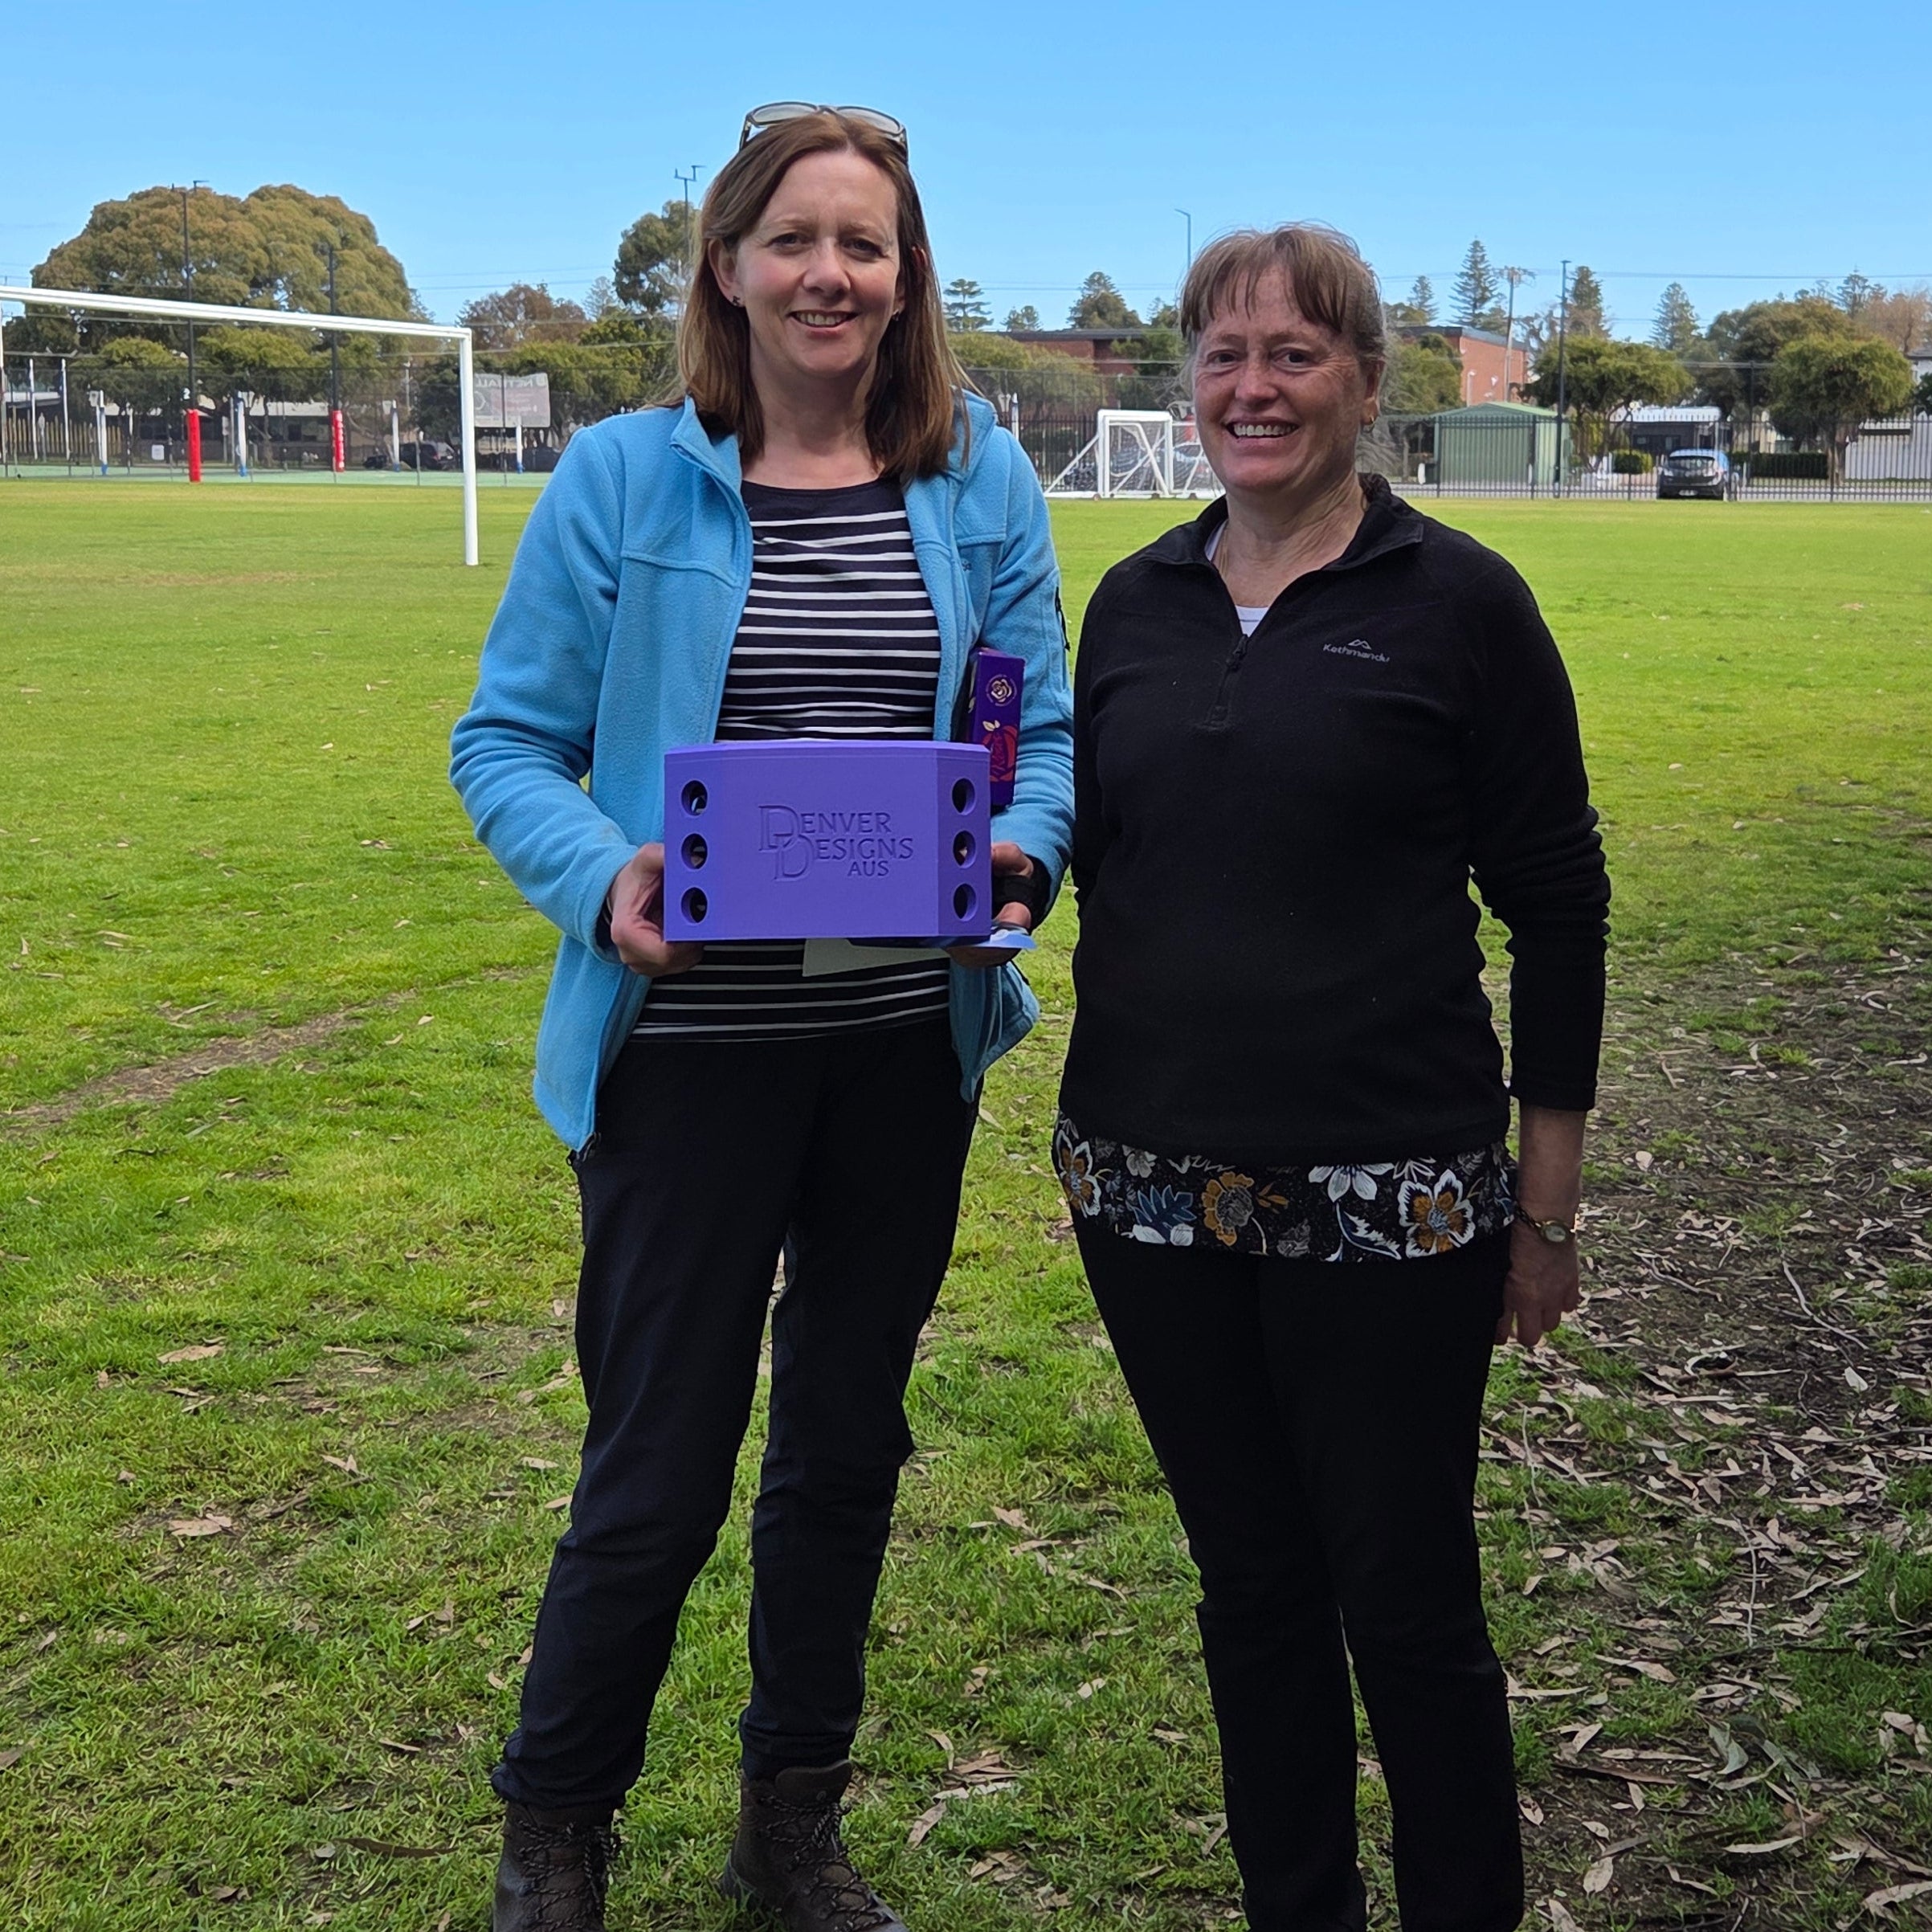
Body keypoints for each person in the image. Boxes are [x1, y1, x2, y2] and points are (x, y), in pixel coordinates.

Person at [451, 104, 1072, 1932]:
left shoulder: (982, 483)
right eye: (793, 238)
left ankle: (790, 1827)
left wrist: (1019, 862)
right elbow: (507, 743)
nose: (830, 274)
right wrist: (605, 878)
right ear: (724, 266)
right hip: (689, 1068)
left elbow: (1034, 737)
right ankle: (554, 1829)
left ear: (907, 278)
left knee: (844, 1455)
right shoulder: (625, 480)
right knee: (654, 1470)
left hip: (902, 1055)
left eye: (863, 244)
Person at [1055, 224, 1610, 1932]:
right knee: (1252, 1591)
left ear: (1368, 382)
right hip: (1149, 1191)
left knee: (1408, 1596)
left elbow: (1560, 907)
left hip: (1398, 1200)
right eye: (1223, 354)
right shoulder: (1131, 604)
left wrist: (1545, 1205)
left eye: (1295, 353)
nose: (1252, 387)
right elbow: (1087, 858)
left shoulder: (1461, 605)